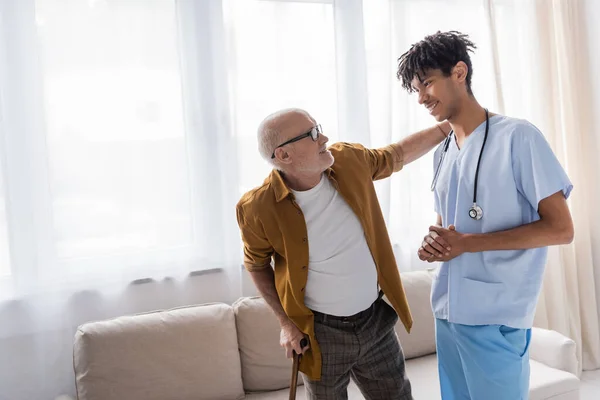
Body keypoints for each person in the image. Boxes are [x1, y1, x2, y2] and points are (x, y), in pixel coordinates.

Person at [396, 31, 575, 399]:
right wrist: (437, 242)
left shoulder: (519, 137)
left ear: (459, 72)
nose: (421, 98)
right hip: (448, 311)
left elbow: (561, 229)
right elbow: (453, 228)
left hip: (496, 315)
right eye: (416, 89)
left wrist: (468, 244)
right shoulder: (443, 151)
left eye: (427, 83)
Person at [235, 108, 450, 399]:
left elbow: (395, 155)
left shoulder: (349, 160)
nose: (323, 137)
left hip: (376, 322)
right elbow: (257, 264)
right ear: (283, 155)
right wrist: (286, 324)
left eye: (318, 127)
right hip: (321, 335)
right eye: (311, 134)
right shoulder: (257, 208)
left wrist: (448, 126)